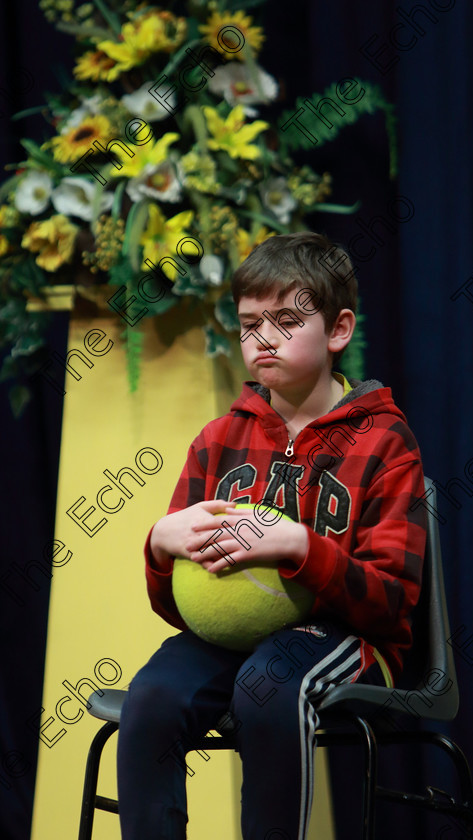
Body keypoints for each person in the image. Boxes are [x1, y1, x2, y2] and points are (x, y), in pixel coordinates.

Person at [116, 231, 427, 840]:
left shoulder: (385, 443)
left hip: (344, 637)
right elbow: (179, 604)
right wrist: (158, 545)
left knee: (265, 687)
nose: (263, 339)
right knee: (150, 699)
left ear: (338, 330)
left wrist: (303, 551)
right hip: (233, 636)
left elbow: (393, 604)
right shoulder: (217, 439)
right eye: (250, 323)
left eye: (286, 320)